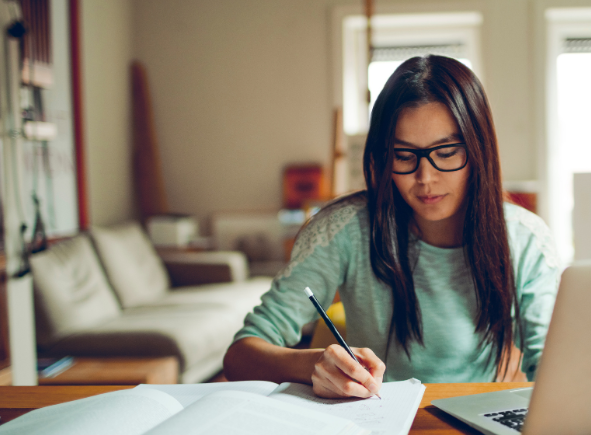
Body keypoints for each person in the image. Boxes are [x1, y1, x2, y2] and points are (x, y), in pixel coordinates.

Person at [223, 55, 559, 398]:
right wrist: (314, 365)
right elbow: (240, 357)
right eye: (403, 155)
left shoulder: (524, 236)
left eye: (445, 152)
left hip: (476, 428)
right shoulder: (342, 230)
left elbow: (554, 366)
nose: (425, 178)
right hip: (376, 426)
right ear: (384, 157)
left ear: (479, 149)